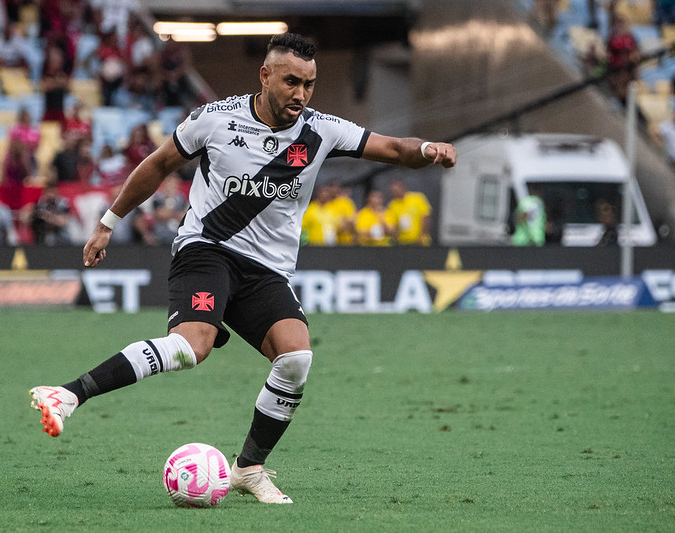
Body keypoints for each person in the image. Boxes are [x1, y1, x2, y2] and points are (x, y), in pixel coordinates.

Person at [28, 33, 456, 504]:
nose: (301, 94)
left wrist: (427, 149)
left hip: (266, 270)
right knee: (193, 347)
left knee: (295, 357)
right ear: (265, 75)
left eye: (309, 84)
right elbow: (159, 163)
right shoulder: (214, 119)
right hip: (206, 249)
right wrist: (108, 223)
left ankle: (249, 468)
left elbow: (395, 149)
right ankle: (67, 394)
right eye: (291, 81)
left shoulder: (321, 131)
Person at [386, 178, 432, 246]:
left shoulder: (417, 198)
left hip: (420, 241)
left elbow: (425, 217)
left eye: (396, 190)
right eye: (393, 191)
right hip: (403, 242)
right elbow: (393, 224)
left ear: (402, 187)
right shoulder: (392, 205)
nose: (394, 193)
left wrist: (421, 236)